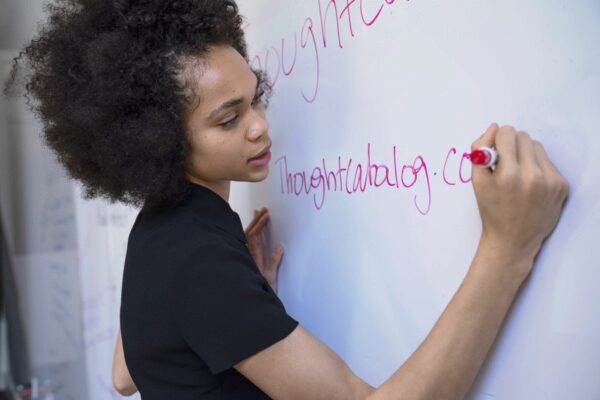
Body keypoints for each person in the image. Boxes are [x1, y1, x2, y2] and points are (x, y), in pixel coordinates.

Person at [5, 1, 569, 399]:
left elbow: (125, 375)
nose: (260, 126)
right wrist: (507, 247)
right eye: (229, 118)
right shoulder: (195, 257)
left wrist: (232, 318)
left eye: (255, 99)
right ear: (157, 140)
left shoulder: (160, 228)